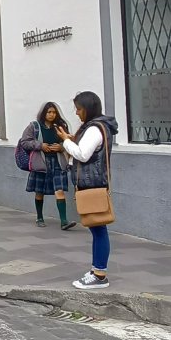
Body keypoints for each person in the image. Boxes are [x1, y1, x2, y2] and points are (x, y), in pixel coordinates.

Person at [56, 91, 119, 290]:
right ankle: (96, 270)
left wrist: (65, 142)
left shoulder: (94, 129)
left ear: (88, 109)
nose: (76, 113)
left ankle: (99, 274)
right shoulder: (96, 127)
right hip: (93, 182)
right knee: (97, 229)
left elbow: (83, 154)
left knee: (99, 229)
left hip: (92, 184)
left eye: (79, 109)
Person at [18, 102, 76, 230]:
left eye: (54, 112)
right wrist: (40, 145)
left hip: (58, 162)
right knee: (40, 191)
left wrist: (61, 147)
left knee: (59, 190)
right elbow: (25, 142)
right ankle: (39, 217)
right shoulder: (34, 126)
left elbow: (68, 141)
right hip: (41, 163)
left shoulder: (60, 127)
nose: (51, 115)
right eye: (49, 112)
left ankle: (64, 221)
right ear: (44, 113)